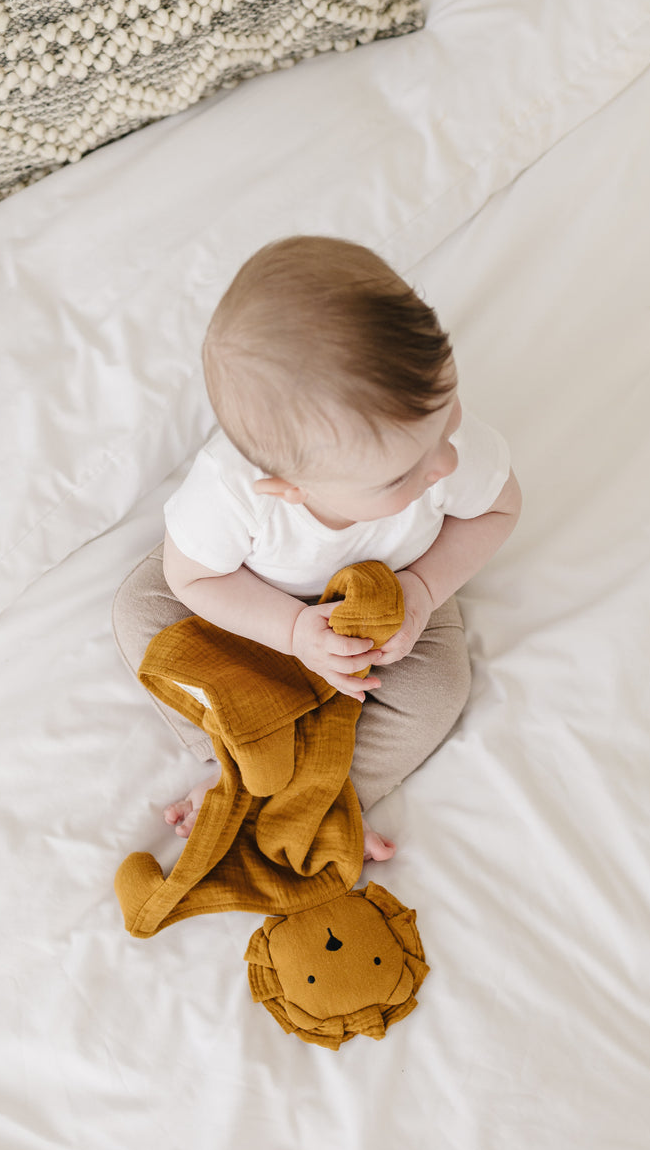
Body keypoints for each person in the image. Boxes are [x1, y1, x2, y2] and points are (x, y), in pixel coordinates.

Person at [113, 235, 521, 862]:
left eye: (448, 415)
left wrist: (424, 590)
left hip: (397, 593)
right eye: (400, 476)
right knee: (142, 612)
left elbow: (498, 507)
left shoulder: (438, 447)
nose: (442, 463)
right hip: (255, 602)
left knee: (437, 689)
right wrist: (293, 630)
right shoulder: (232, 493)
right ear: (289, 490)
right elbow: (193, 579)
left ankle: (329, 800)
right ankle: (238, 769)